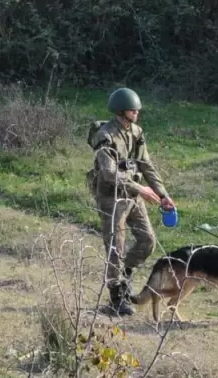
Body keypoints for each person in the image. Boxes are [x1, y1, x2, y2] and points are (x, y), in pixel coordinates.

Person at [88, 87, 177, 317]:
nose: (136, 112)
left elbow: (146, 165)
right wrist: (141, 189)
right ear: (120, 111)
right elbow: (108, 173)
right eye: (132, 109)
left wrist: (163, 194)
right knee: (115, 248)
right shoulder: (105, 135)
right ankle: (116, 297)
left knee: (148, 241)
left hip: (133, 196)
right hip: (111, 198)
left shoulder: (136, 132)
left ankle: (123, 275)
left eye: (137, 109)